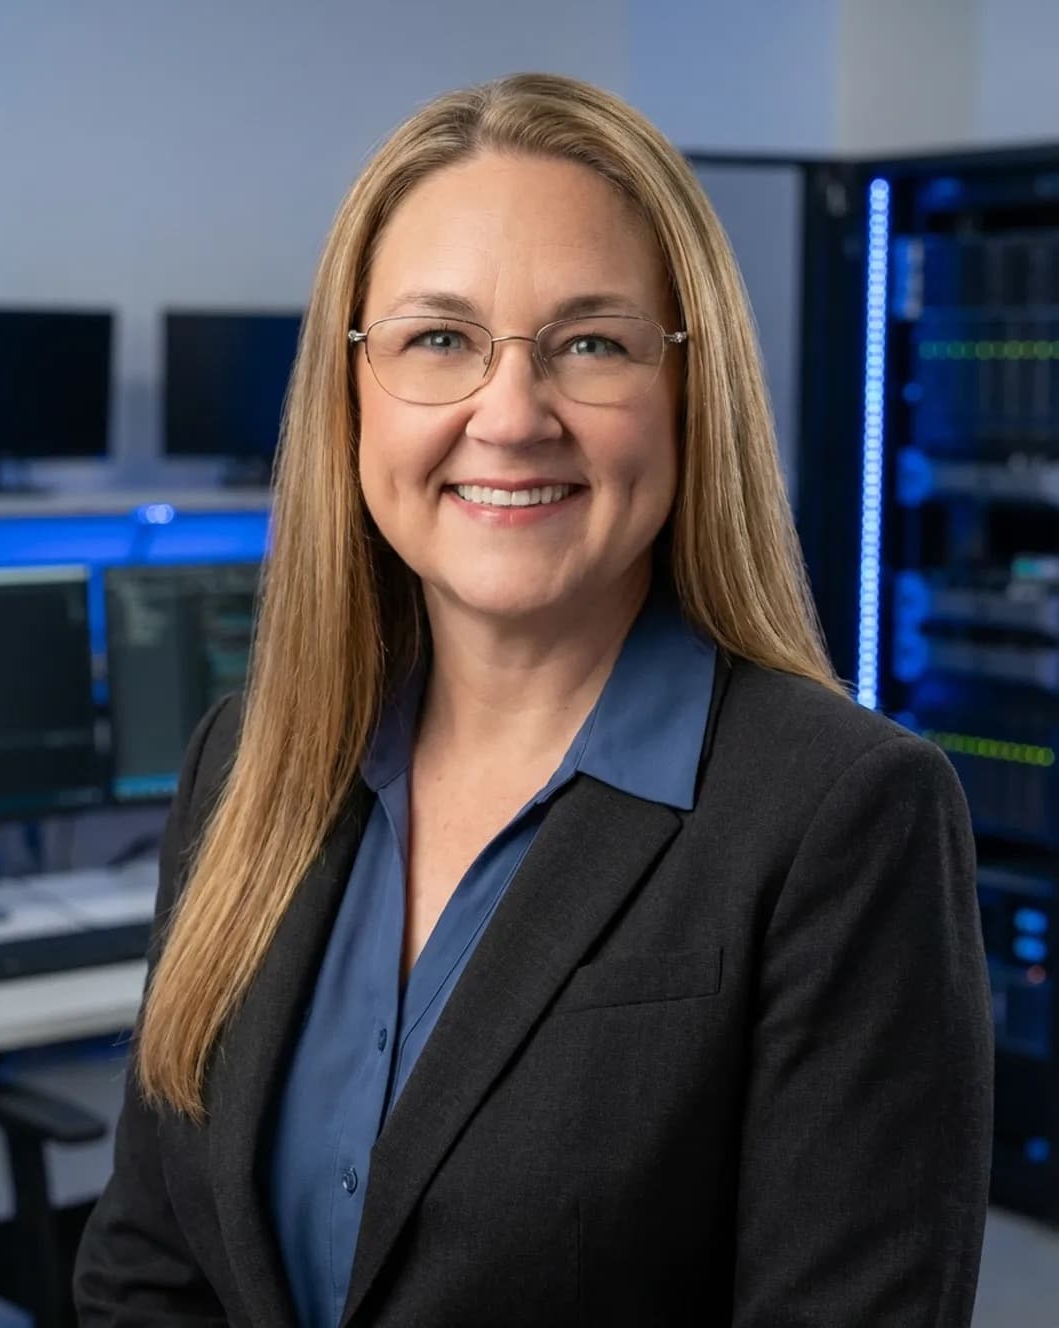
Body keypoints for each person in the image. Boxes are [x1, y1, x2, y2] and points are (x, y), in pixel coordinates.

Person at [74, 72, 993, 1327]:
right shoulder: (245, 764)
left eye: (591, 342)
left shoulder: (841, 817)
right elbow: (149, 1266)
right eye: (437, 339)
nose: (508, 415)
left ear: (687, 391)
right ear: (349, 389)